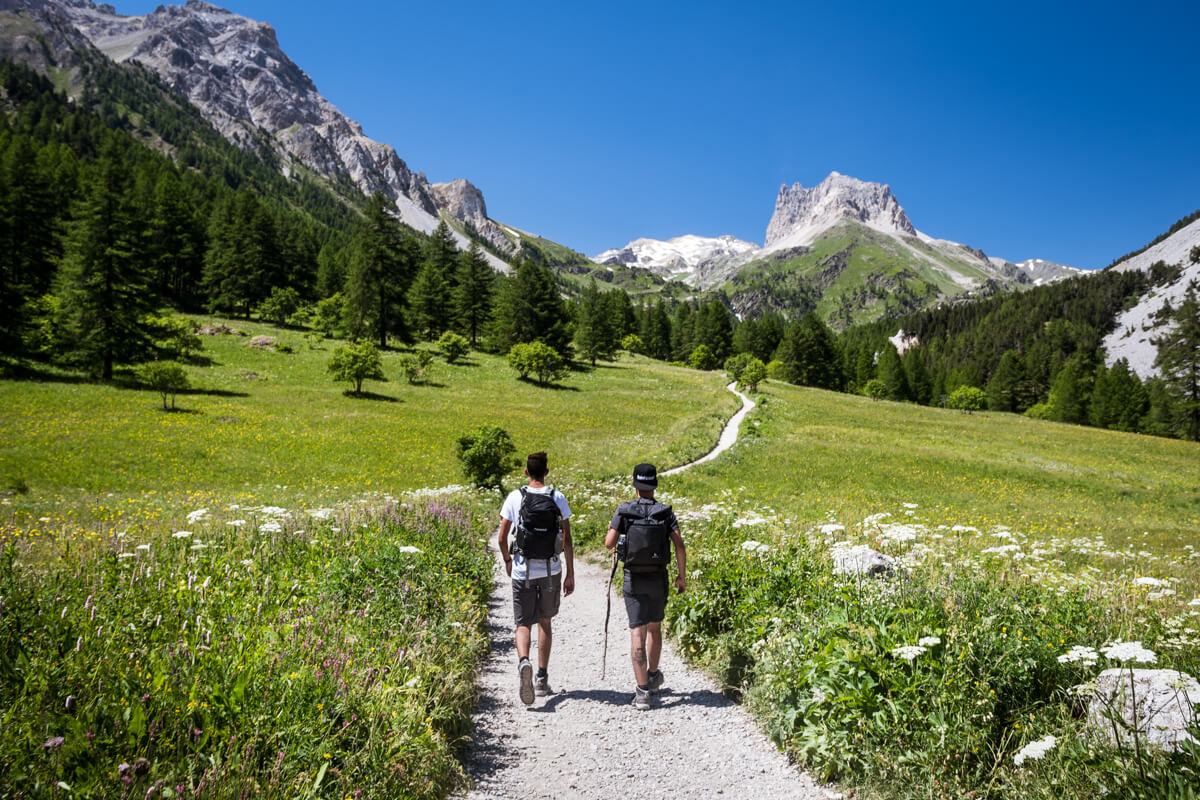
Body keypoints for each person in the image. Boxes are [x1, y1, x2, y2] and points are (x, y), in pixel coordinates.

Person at [605, 462, 686, 710]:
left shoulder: (625, 510)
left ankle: (641, 693)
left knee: (637, 633)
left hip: (633, 578)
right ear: (655, 484)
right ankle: (652, 676)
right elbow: (679, 545)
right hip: (658, 578)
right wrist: (681, 577)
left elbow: (609, 543)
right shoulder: (665, 512)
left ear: (634, 484)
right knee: (655, 629)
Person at [497, 451, 574, 705]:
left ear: (526, 472)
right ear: (547, 472)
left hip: (522, 570)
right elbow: (567, 538)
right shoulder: (557, 496)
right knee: (545, 622)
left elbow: (501, 537)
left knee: (522, 623)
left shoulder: (515, 497)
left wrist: (508, 560)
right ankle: (541, 679)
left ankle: (524, 662)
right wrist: (570, 573)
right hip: (551, 571)